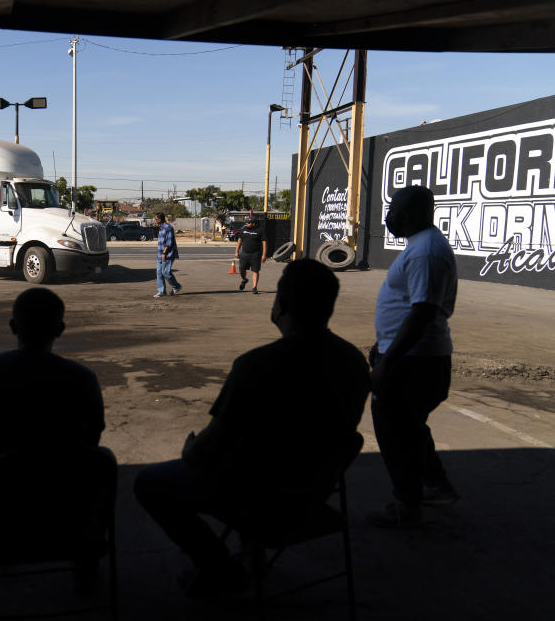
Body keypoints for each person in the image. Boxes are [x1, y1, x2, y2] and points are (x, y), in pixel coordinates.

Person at [134, 259, 370, 598]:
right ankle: (249, 555)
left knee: (150, 483)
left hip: (260, 499)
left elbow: (205, 453)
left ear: (281, 305)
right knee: (261, 455)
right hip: (311, 494)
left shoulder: (257, 365)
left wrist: (190, 451)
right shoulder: (353, 361)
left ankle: (222, 570)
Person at [0, 288, 106, 523]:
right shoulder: (81, 379)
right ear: (60, 330)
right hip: (64, 502)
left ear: (13, 327)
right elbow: (91, 440)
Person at [368, 185, 459, 529]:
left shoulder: (425, 253)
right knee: (410, 427)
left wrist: (389, 362)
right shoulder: (422, 246)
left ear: (405, 215)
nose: (388, 217)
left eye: (392, 211)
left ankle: (406, 506)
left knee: (394, 432)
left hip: (414, 362)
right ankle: (436, 485)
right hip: (414, 357)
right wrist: (384, 345)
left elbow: (422, 312)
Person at [235, 215, 267, 294]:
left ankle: (254, 287)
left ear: (254, 223)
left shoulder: (260, 230)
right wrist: (236, 251)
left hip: (255, 254)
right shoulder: (244, 230)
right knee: (242, 270)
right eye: (247, 222)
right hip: (244, 254)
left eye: (249, 222)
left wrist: (264, 255)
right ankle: (244, 280)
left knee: (255, 270)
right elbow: (239, 241)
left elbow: (264, 243)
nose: (247, 223)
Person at [153, 212, 182, 298]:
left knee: (166, 272)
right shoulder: (161, 227)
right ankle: (161, 291)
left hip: (168, 254)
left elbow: (169, 243)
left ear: (160, 219)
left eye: (156, 219)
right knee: (159, 273)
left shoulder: (168, 228)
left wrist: (164, 254)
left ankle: (176, 286)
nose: (155, 220)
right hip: (160, 254)